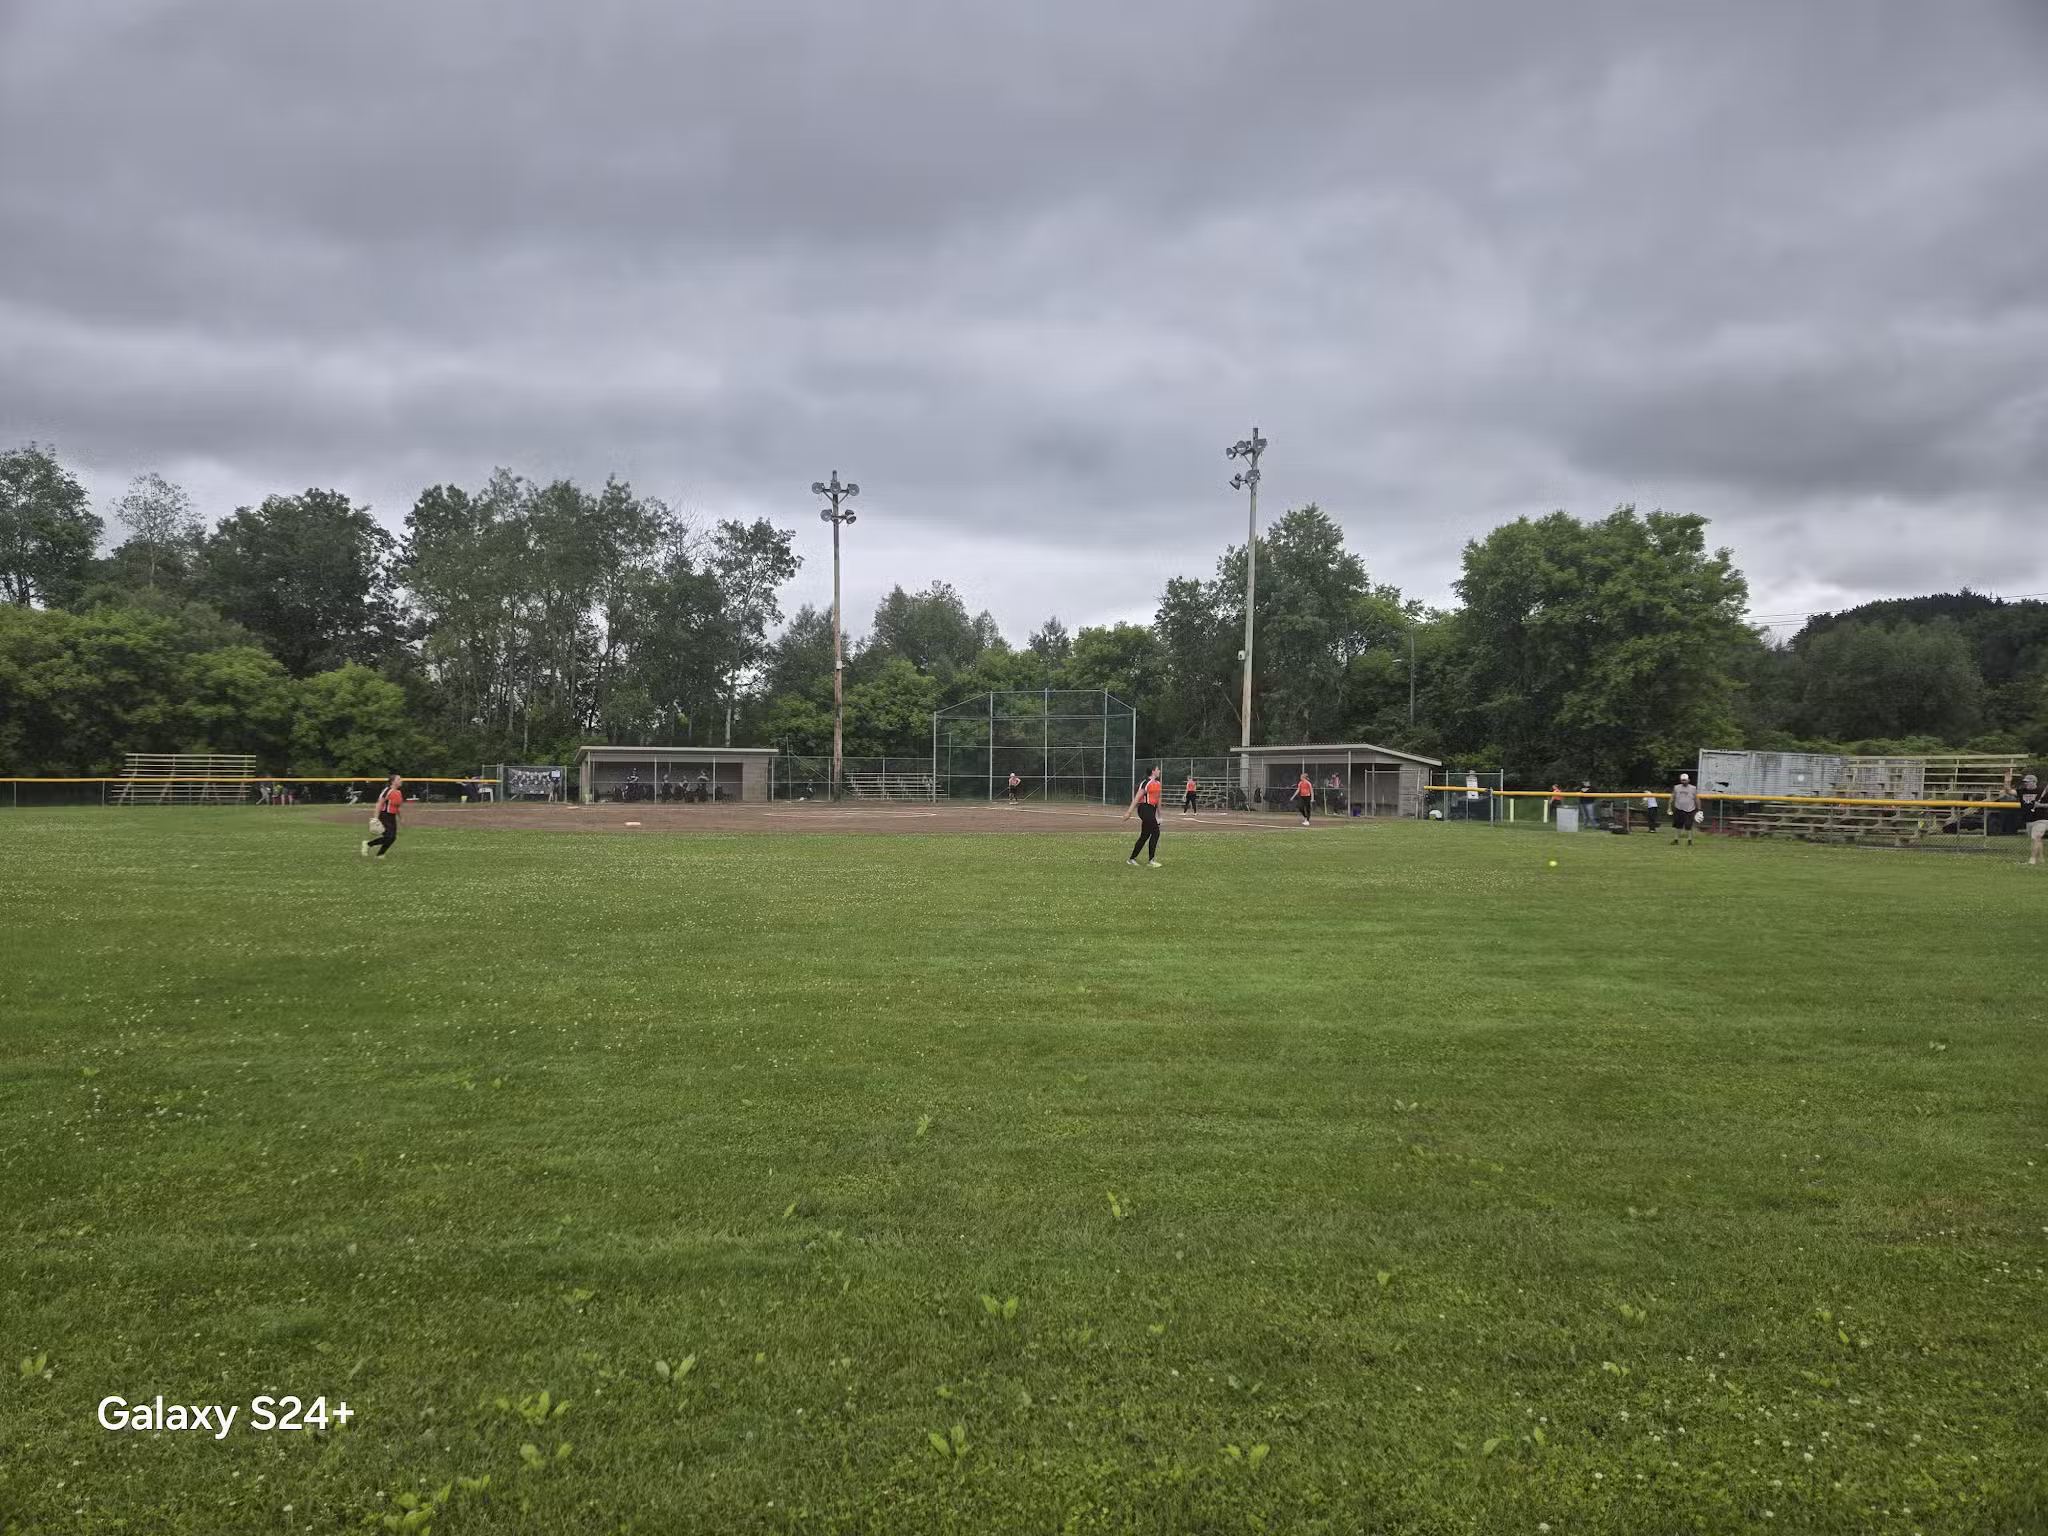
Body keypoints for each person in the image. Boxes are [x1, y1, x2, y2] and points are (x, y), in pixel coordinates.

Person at [1123, 766, 1165, 866]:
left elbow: (1157, 800)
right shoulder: (1146, 783)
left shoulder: (1158, 784)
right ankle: (1151, 861)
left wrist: (1159, 816)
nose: (1159, 771)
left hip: (1151, 810)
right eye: (1158, 769)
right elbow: (1137, 797)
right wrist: (1128, 812)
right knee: (1156, 832)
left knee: (1145, 835)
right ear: (1153, 771)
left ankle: (1131, 859)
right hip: (1144, 808)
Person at [2003, 769, 2045, 865]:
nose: (2025, 784)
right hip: (2029, 819)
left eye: (2027, 782)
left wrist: (2041, 805)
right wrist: (2007, 781)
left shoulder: (2042, 791)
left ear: (2034, 782)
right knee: (2036, 839)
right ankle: (2041, 859)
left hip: (2042, 819)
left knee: (2036, 836)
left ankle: (2032, 860)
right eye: (2024, 782)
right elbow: (2008, 791)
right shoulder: (2022, 791)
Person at [360, 774, 404, 859]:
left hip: (392, 817)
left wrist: (400, 818)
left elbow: (397, 807)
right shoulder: (387, 790)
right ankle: (368, 844)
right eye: (398, 779)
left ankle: (380, 854)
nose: (400, 781)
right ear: (393, 781)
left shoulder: (398, 792)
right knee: (389, 836)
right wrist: (376, 818)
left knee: (392, 838)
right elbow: (379, 804)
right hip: (384, 815)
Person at [1670, 773, 1700, 846]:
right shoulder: (1676, 787)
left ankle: (1689, 840)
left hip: (1690, 809)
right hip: (1679, 808)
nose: (1684, 782)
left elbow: (1696, 799)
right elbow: (1672, 797)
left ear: (1688, 780)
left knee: (1688, 825)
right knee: (1677, 825)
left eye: (1685, 780)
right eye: (1682, 780)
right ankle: (1676, 839)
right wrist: (1669, 806)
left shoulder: (1693, 788)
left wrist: (1699, 809)